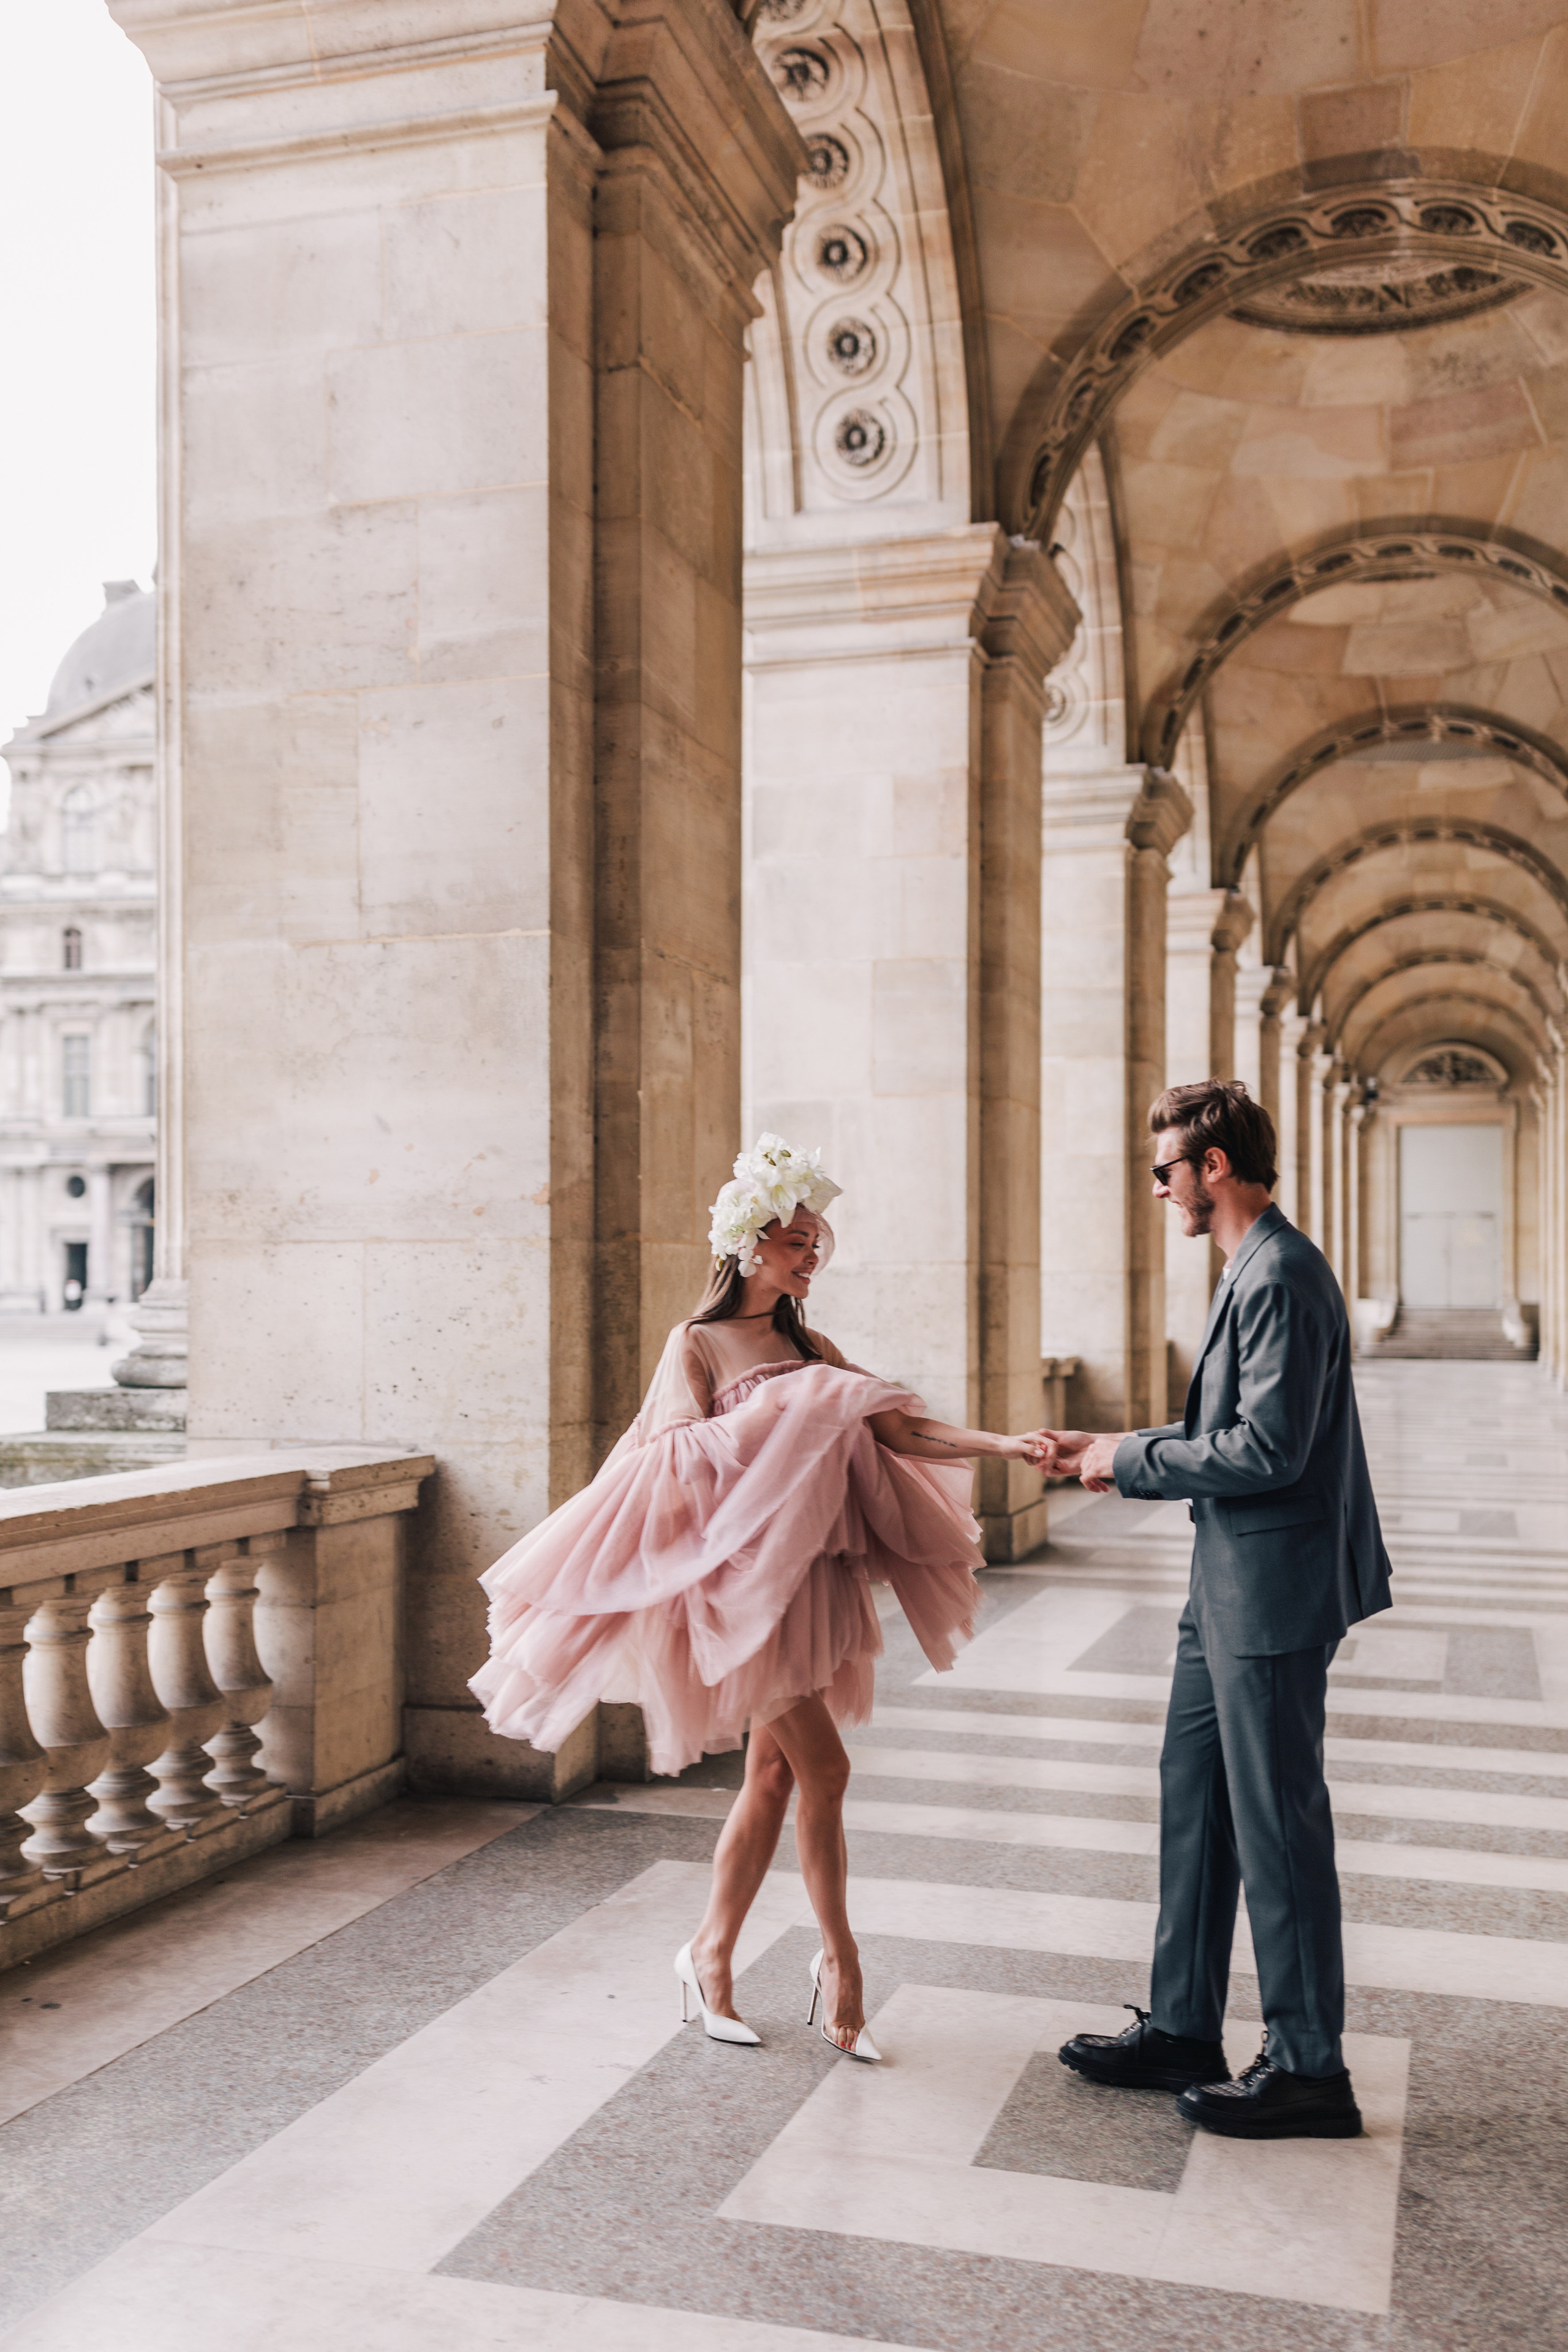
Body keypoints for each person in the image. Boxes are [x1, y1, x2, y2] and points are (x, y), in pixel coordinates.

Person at [471, 1134, 1048, 2060]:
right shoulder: (695, 1344)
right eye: (795, 1241)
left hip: (807, 1583)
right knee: (826, 1773)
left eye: (818, 1243)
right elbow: (668, 1468)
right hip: (741, 1595)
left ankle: (710, 1957)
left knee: (776, 1776)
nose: (812, 1254)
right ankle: (840, 1965)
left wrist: (1009, 1446)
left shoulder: (813, 1345)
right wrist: (785, 1414)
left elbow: (902, 1430)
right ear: (748, 1247)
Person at [1043, 1080, 1391, 2140]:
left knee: (1277, 1824)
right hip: (1227, 1579)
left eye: (1167, 1171)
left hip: (1272, 1593)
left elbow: (1270, 1448)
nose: (1160, 1191)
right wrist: (1107, 1449)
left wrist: (1132, 1457)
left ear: (1216, 1168)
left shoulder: (1281, 1272)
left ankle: (1309, 2065)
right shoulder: (1251, 1269)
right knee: (1194, 1795)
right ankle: (1187, 2025)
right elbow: (1229, 1423)